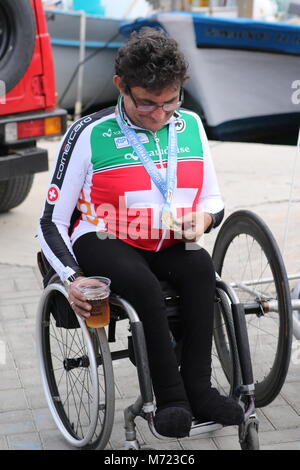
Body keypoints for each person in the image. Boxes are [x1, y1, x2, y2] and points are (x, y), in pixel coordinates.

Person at [38, 27, 244, 438]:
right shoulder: (88, 133)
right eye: (147, 103)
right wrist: (72, 279)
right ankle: (170, 399)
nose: (159, 115)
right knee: (142, 285)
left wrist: (202, 221)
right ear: (121, 86)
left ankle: (200, 390)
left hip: (166, 238)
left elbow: (214, 200)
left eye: (170, 102)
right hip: (103, 236)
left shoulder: (190, 125)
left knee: (201, 267)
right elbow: (50, 222)